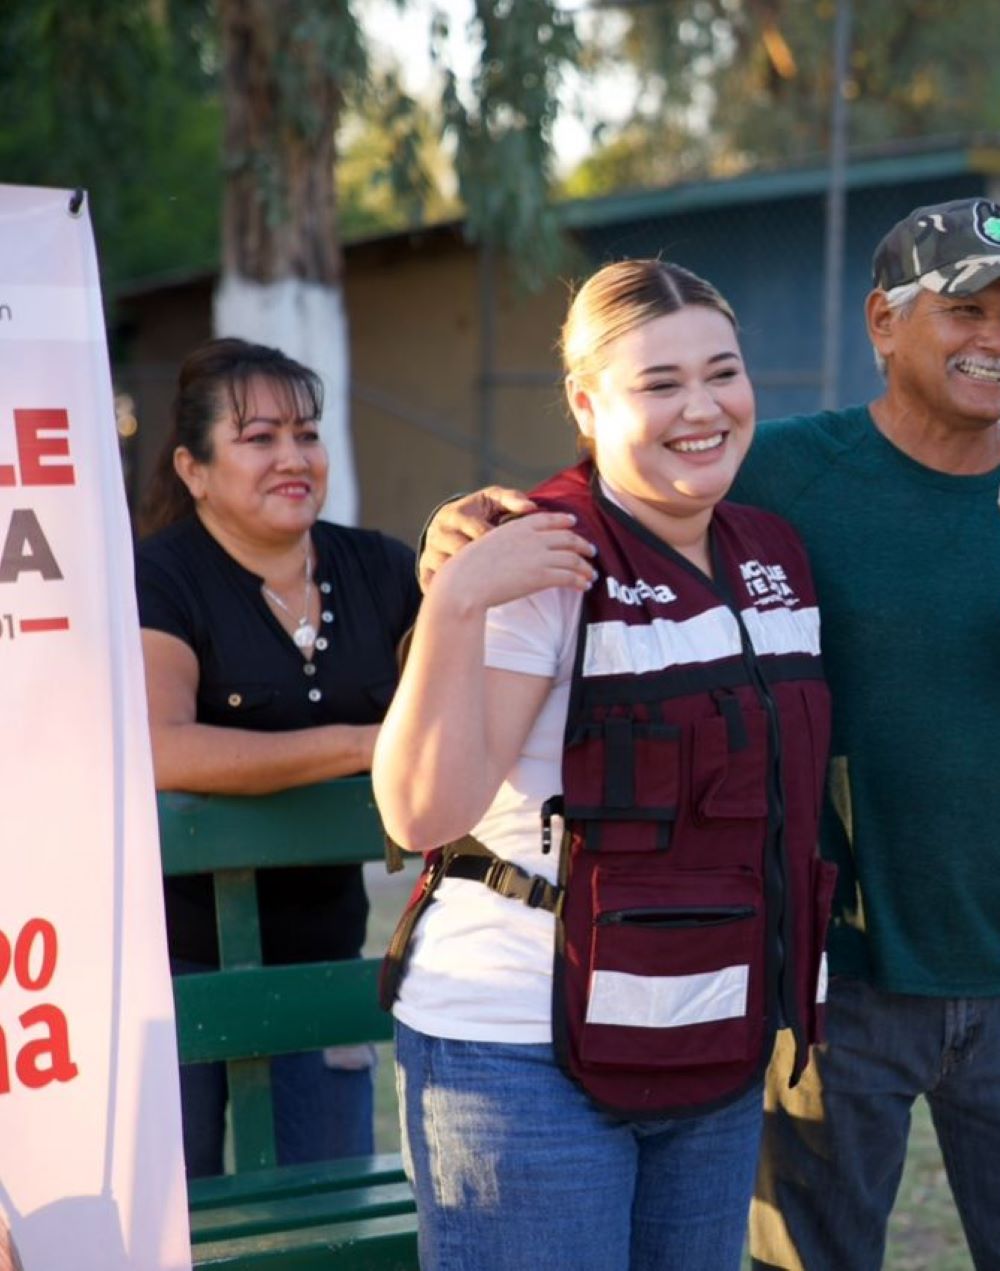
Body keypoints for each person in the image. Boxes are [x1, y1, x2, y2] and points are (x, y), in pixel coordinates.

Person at [420, 199, 1000, 1270]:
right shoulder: (782, 476)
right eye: (966, 312)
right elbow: (625, 490)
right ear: (883, 322)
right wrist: (473, 528)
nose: (998, 343)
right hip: (826, 971)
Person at [373, 259, 835, 1271]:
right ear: (586, 400)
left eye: (723, 372)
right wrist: (454, 599)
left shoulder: (775, 554)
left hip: (706, 1026)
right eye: (660, 383)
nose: (702, 408)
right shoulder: (538, 556)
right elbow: (418, 809)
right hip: (520, 1042)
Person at [136, 338, 420, 1179]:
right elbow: (161, 745)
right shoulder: (158, 576)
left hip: (325, 952)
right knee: (173, 1217)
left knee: (325, 1201)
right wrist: (367, 745)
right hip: (172, 962)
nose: (292, 458)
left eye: (307, 433)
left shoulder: (381, 567)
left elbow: (449, 712)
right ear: (194, 468)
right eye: (260, 438)